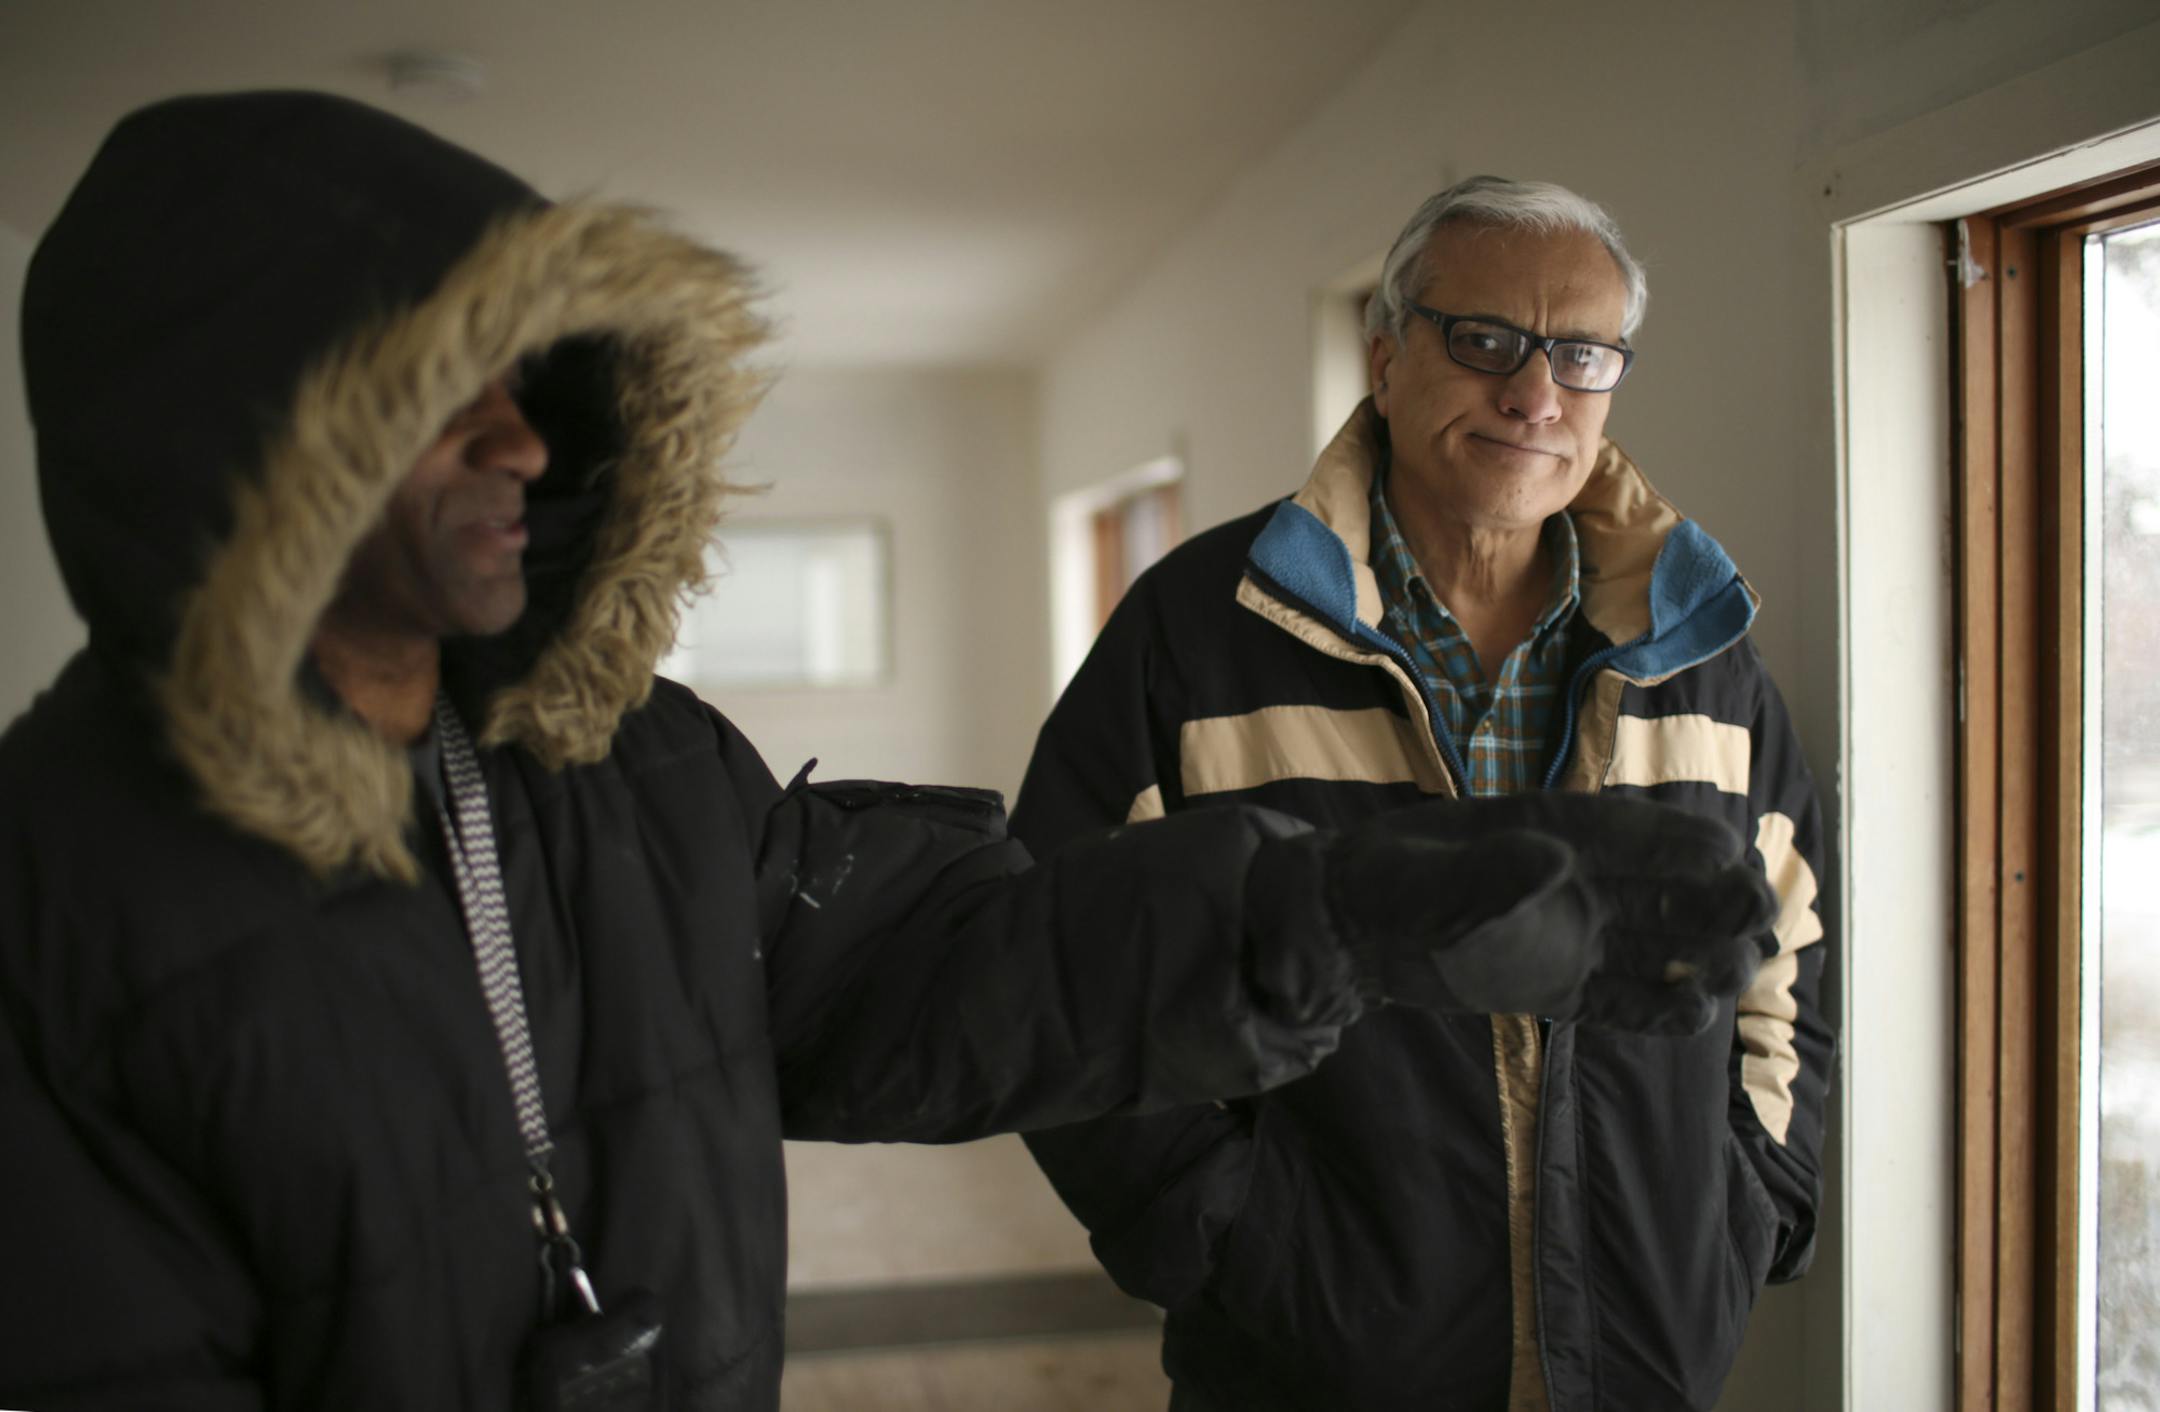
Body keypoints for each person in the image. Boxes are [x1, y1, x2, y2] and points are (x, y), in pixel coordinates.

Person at [0, 95, 1774, 1412]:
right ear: (241, 428)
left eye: (526, 381)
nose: (522, 445)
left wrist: (1340, 912)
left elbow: (940, 968)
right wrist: (1237, 1247)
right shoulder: (53, 891)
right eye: (434, 387)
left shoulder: (625, 763)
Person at [1013, 176, 1835, 1411]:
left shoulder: (1698, 648)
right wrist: (1221, 1230)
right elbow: (1050, 954)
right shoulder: (1198, 631)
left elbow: (1791, 957)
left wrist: (1750, 1207)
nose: (1536, 391)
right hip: (1307, 1361)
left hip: (1640, 1352)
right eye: (1487, 339)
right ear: (1387, 353)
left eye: (1583, 353)